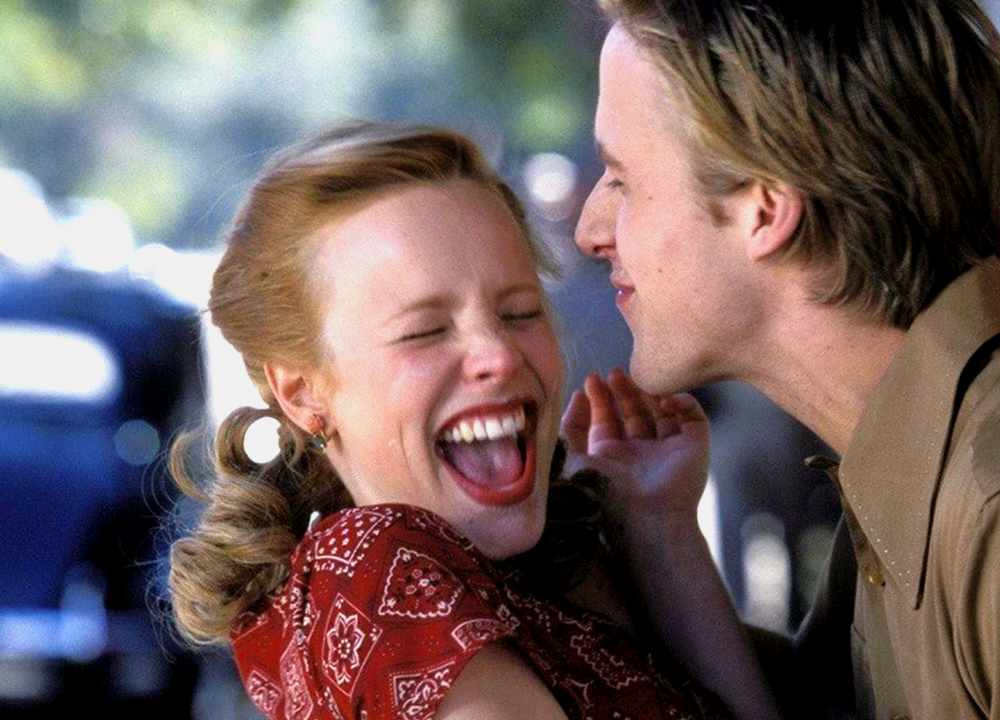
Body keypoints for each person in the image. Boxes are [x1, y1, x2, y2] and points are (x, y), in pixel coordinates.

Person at [570, 1, 1000, 718]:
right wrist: (655, 535)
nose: (589, 231)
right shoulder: (934, 437)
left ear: (765, 206)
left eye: (621, 180)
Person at [165, 121, 775, 720]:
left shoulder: (529, 574)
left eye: (520, 312)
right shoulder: (382, 565)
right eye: (425, 331)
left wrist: (655, 526)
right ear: (302, 393)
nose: (500, 355)